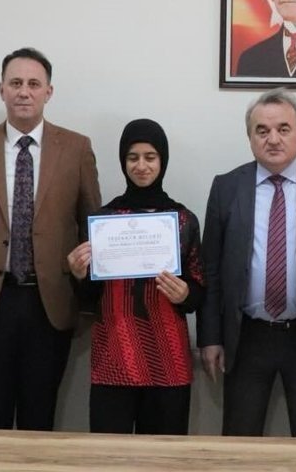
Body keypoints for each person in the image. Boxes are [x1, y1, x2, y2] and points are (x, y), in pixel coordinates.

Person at [0, 47, 102, 430]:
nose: (24, 92)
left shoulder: (76, 148)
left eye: (34, 84)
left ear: (49, 92)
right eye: (15, 83)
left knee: (39, 420)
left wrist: (88, 304)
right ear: (1, 89)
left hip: (49, 305)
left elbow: (91, 229)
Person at [197, 87, 296, 436]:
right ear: (249, 137)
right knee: (240, 440)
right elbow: (210, 270)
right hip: (246, 337)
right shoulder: (226, 187)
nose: (273, 139)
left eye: (283, 129)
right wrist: (209, 337)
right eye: (262, 130)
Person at [67, 119, 204, 434]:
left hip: (168, 356)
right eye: (133, 157)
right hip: (114, 353)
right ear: (122, 161)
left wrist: (186, 294)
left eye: (150, 157)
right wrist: (79, 275)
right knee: (110, 455)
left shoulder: (184, 221)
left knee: (164, 455)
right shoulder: (103, 221)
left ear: (163, 160)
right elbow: (89, 298)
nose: (141, 166)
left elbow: (199, 293)